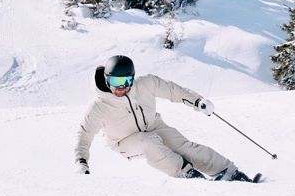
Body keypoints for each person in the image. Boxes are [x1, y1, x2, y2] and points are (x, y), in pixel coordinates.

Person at [74, 55, 259, 183]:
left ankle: (229, 172)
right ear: (107, 80)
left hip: (153, 125)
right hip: (125, 142)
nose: (121, 87)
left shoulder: (145, 84)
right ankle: (186, 174)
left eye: (127, 82)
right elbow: (84, 135)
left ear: (133, 78)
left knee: (184, 147)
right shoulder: (98, 106)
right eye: (116, 82)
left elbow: (173, 90)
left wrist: (197, 101)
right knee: (149, 142)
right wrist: (81, 162)